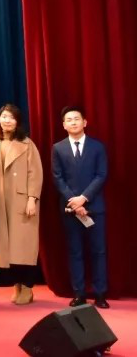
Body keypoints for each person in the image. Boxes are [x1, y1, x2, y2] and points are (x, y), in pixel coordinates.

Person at [51, 106, 109, 308]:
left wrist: (83, 198)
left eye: (77, 118)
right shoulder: (58, 148)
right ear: (63, 125)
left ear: (85, 122)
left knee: (98, 251)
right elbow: (57, 178)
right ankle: (79, 293)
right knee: (75, 251)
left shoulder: (97, 147)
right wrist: (74, 201)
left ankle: (100, 294)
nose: (73, 122)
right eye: (69, 119)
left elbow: (101, 175)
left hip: (95, 207)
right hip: (70, 209)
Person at [0, 104, 43, 305]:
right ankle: (16, 285)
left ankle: (27, 286)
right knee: (7, 248)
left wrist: (32, 199)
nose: (7, 120)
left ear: (17, 121)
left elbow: (35, 174)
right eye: (4, 117)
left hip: (21, 201)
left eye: (11, 117)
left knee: (24, 246)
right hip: (0, 202)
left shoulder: (27, 144)